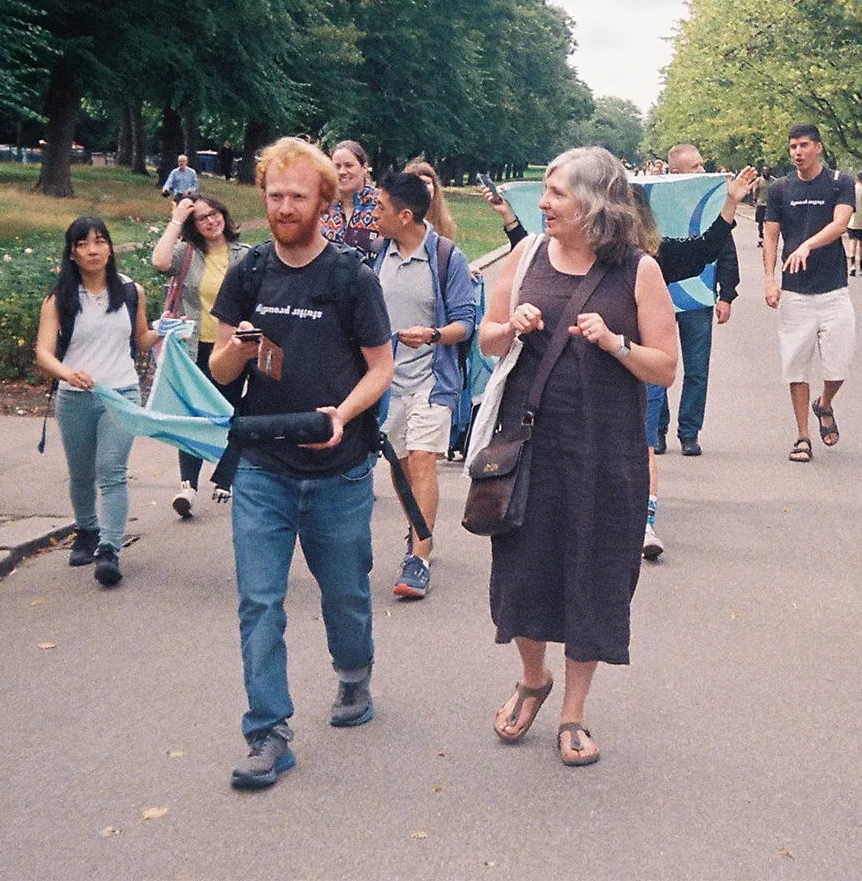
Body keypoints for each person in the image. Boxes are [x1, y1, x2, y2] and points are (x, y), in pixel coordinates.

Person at [477, 146, 679, 767]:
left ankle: (574, 712)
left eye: (556, 193)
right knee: (526, 568)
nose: (542, 203)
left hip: (606, 452)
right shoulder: (527, 253)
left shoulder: (639, 271)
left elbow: (666, 368)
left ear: (594, 202)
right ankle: (533, 679)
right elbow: (487, 337)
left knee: (593, 572)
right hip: (531, 444)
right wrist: (515, 325)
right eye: (545, 191)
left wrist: (616, 343)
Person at [207, 136, 393, 790]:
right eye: (275, 194)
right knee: (260, 602)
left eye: (298, 195)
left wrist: (344, 413)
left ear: (323, 200)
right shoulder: (250, 271)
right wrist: (248, 339)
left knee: (344, 596)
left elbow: (381, 369)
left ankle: (353, 674)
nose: (285, 206)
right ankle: (268, 734)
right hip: (263, 464)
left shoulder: (350, 276)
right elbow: (221, 364)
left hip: (340, 469)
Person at [484, 162, 756, 560]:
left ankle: (644, 516)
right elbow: (531, 254)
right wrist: (509, 221)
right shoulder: (550, 251)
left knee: (642, 443)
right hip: (546, 423)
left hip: (631, 377)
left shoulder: (652, 259)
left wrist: (730, 204)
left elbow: (706, 248)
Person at [34, 216, 159, 588]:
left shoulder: (130, 291)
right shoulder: (59, 299)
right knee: (81, 474)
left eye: (100, 241)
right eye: (84, 243)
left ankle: (109, 550)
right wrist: (66, 373)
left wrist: (163, 330)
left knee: (112, 470)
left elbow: (140, 340)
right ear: (72, 253)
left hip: (120, 395)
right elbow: (43, 352)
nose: (93, 250)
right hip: (74, 398)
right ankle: (87, 530)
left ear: (109, 248)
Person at [370, 170, 476, 600]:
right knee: (399, 467)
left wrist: (432, 335)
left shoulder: (448, 258)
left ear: (405, 215)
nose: (372, 213)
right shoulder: (379, 255)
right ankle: (418, 528)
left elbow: (466, 325)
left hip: (433, 381)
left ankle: (419, 558)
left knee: (422, 460)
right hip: (386, 383)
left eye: (379, 207)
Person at [150, 191, 251, 515]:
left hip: (232, 347)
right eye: (201, 218)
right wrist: (177, 218)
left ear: (223, 212)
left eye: (214, 213)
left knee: (230, 410)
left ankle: (226, 476)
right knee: (192, 415)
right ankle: (188, 487)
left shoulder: (245, 255)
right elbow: (159, 262)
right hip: (194, 346)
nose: (210, 221)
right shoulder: (188, 254)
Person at [763, 123, 856, 463]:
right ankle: (802, 436)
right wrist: (769, 279)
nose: (797, 153)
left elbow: (840, 223)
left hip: (833, 289)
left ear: (818, 147)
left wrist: (807, 245)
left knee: (839, 365)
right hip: (795, 293)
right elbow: (771, 235)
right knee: (796, 367)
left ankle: (825, 404)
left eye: (803, 145)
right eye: (792, 147)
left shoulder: (839, 183)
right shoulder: (780, 188)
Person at [653, 144, 742, 460]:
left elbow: (725, 248)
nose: (702, 171)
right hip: (659, 296)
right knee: (656, 367)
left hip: (699, 297)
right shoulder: (656, 202)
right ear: (675, 172)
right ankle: (657, 430)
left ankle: (689, 432)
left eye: (702, 165)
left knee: (696, 370)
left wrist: (726, 293)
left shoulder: (712, 203)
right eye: (695, 167)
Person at [322, 139, 382, 260]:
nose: (342, 172)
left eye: (349, 165)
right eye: (337, 167)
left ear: (364, 168)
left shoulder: (382, 204)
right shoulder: (322, 206)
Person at [404, 158, 457, 241]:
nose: (423, 188)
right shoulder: (396, 220)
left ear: (434, 187)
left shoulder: (444, 221)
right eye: (418, 183)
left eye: (427, 183)